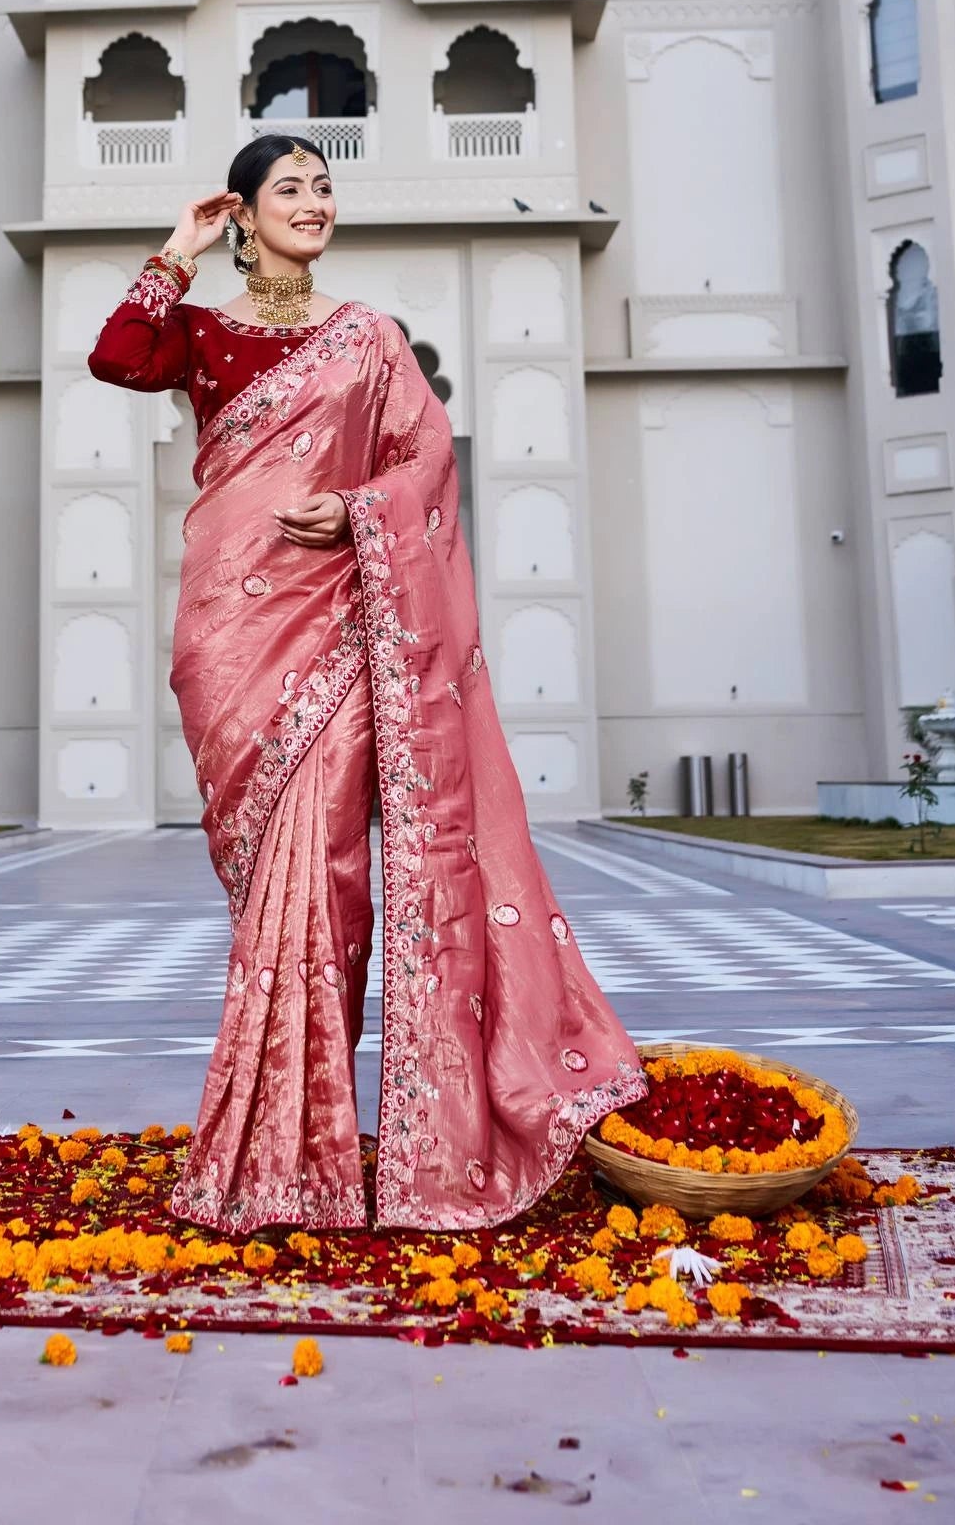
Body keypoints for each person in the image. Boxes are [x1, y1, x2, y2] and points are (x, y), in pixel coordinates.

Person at [87, 132, 644, 1233]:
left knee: (329, 875)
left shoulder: (368, 339)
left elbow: (421, 465)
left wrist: (355, 513)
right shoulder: (198, 332)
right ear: (241, 211)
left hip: (336, 622)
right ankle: (276, 1143)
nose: (312, 201)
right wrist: (175, 251)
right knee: (269, 883)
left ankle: (308, 1148)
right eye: (286, 188)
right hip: (226, 634)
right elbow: (117, 358)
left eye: (322, 185)